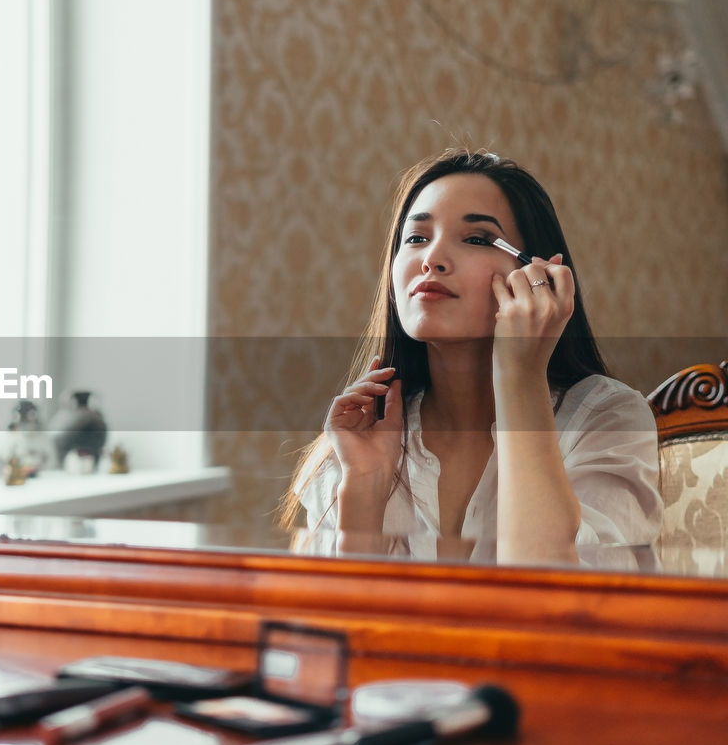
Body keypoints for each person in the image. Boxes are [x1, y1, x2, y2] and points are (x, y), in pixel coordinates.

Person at [279, 149, 661, 565]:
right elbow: (339, 624)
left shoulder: (608, 418)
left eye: (477, 239)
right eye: (416, 238)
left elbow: (547, 605)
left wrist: (520, 373)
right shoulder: (360, 438)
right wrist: (364, 490)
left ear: (539, 276)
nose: (431, 260)